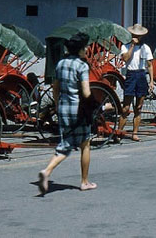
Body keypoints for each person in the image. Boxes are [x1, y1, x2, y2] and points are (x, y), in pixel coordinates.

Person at [38, 33, 97, 194]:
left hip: (63, 108)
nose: (86, 50)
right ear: (80, 50)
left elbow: (55, 88)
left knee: (66, 143)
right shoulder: (82, 66)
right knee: (85, 144)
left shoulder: (60, 64)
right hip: (78, 109)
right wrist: (98, 105)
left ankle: (47, 171)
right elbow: (86, 92)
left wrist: (57, 106)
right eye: (85, 48)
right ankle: (84, 182)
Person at [117, 24, 154, 142]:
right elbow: (126, 59)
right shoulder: (125, 47)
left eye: (138, 35)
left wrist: (152, 81)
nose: (136, 37)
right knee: (126, 108)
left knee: (138, 107)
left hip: (141, 75)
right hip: (131, 75)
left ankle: (135, 133)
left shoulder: (146, 48)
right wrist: (132, 45)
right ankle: (119, 132)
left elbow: (150, 65)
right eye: (134, 35)